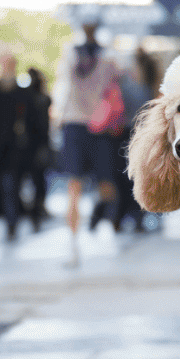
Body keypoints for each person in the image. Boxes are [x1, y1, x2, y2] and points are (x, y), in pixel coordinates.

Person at [51, 17, 119, 265]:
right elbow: (114, 85)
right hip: (97, 124)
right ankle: (97, 224)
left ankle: (74, 243)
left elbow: (63, 85)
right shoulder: (107, 57)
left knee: (75, 187)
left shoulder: (70, 55)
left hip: (74, 123)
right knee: (104, 184)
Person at [109, 46, 161, 232]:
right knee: (137, 178)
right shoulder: (149, 85)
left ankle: (122, 216)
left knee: (124, 178)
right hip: (140, 136)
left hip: (124, 135)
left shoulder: (127, 83)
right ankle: (135, 216)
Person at [0, 50, 30, 241]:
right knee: (0, 185)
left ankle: (12, 220)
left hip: (14, 148)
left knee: (10, 185)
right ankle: (9, 216)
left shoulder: (22, 92)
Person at [23, 67, 51, 231]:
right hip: (37, 145)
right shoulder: (41, 98)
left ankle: (36, 211)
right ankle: (36, 210)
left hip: (33, 145)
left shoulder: (34, 98)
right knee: (38, 181)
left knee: (36, 181)